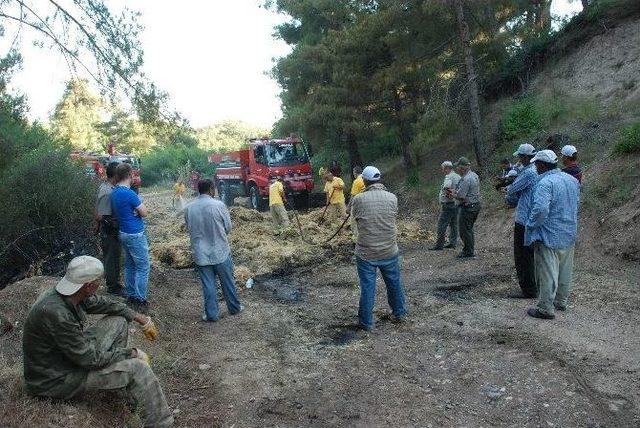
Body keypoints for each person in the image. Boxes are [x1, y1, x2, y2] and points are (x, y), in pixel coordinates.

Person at [22, 256, 173, 427]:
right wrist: (131, 353)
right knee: (138, 369)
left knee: (119, 320)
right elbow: (88, 360)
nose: (100, 285)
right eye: (98, 282)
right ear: (88, 286)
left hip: (63, 359)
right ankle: (161, 424)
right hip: (54, 380)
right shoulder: (57, 313)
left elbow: (102, 303)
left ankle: (118, 389)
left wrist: (139, 318)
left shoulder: (67, 293)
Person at [525, 150, 580, 320]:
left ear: (541, 164)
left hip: (548, 232)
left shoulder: (545, 183)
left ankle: (545, 308)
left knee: (547, 270)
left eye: (536, 164)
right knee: (565, 269)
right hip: (568, 230)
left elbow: (541, 209)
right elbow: (576, 204)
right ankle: (560, 301)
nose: (535, 167)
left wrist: (531, 224)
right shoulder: (571, 180)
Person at [351, 166, 407, 330]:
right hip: (389, 249)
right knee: (394, 283)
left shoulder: (359, 199)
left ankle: (366, 322)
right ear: (379, 179)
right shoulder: (392, 198)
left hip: (366, 252)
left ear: (365, 181)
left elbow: (355, 218)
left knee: (368, 287)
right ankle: (399, 312)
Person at [184, 179, 243, 322]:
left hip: (200, 252)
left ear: (199, 190)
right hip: (220, 250)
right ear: (211, 189)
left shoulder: (189, 207)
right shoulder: (219, 205)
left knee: (208, 284)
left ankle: (211, 314)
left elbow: (188, 227)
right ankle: (234, 308)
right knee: (228, 281)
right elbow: (228, 227)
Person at [111, 163, 150, 311]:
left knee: (130, 265)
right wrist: (137, 211)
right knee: (143, 267)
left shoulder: (114, 192)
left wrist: (135, 210)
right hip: (135, 234)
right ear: (129, 175)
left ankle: (131, 294)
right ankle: (140, 298)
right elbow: (144, 212)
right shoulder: (130, 194)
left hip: (123, 232)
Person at [505, 143, 538, 298]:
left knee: (523, 256)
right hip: (531, 217)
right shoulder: (536, 170)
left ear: (525, 157)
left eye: (520, 156)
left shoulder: (529, 172)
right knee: (531, 255)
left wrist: (506, 188)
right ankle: (533, 286)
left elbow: (512, 189)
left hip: (524, 219)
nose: (518, 159)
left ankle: (529, 289)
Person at [95, 161, 123, 296]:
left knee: (114, 257)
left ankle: (115, 284)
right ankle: (113, 287)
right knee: (111, 259)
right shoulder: (107, 191)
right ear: (116, 175)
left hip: (112, 231)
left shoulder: (111, 188)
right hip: (109, 231)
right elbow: (100, 215)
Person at [453, 157, 481, 258]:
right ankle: (469, 250)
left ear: (462, 168)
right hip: (475, 205)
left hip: (468, 207)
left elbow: (461, 196)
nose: (457, 169)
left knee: (464, 230)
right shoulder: (474, 175)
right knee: (469, 229)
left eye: (458, 167)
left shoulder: (466, 179)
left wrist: (453, 194)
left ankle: (468, 252)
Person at [430, 161, 461, 251]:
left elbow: (447, 188)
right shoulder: (458, 176)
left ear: (447, 168)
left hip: (448, 204)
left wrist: (447, 195)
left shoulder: (449, 176)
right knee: (453, 224)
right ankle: (452, 243)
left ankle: (439, 245)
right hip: (456, 203)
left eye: (443, 169)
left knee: (441, 224)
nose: (442, 171)